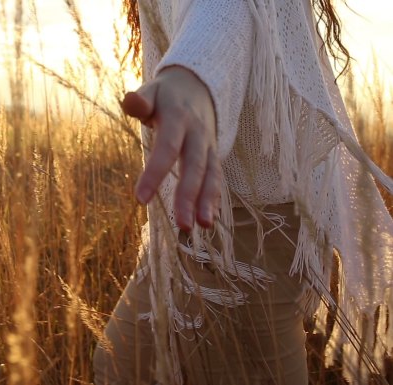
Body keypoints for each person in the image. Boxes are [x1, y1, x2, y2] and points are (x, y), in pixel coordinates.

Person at [93, 0, 393, 384]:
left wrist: (193, 75)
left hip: (249, 230)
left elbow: (223, 11)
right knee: (121, 365)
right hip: (195, 223)